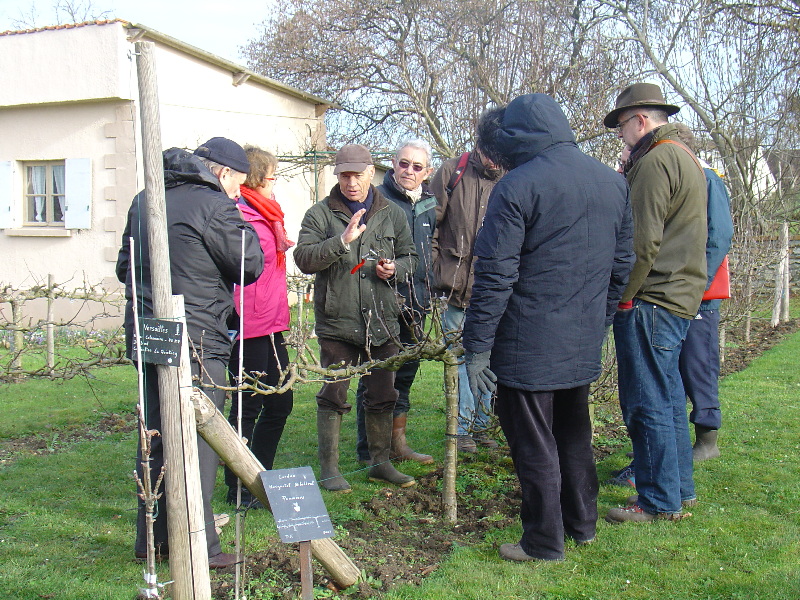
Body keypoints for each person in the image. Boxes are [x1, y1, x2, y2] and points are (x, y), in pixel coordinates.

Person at [462, 94, 634, 562]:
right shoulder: (610, 182)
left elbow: (496, 274)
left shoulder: (517, 186)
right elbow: (623, 263)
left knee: (535, 443)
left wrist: (476, 347)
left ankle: (542, 541)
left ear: (515, 135)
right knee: (575, 435)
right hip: (580, 338)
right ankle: (583, 525)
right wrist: (598, 320)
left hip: (527, 342)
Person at [116, 137, 264, 567]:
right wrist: (238, 217)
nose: (239, 192)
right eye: (238, 183)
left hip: (148, 334)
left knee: (155, 436)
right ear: (221, 172)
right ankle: (200, 545)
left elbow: (125, 267)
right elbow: (249, 263)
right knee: (200, 440)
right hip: (199, 339)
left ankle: (151, 539)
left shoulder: (144, 199)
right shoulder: (213, 205)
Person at [603, 83, 708, 524]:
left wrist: (622, 300)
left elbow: (641, 244)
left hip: (652, 299)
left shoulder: (655, 160)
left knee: (647, 402)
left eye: (622, 125)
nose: (621, 135)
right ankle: (679, 491)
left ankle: (656, 500)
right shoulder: (684, 157)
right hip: (679, 296)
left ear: (640, 120)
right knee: (666, 398)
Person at [294, 144, 419, 492]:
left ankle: (380, 463)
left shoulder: (392, 214)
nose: (351, 182)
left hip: (383, 321)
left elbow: (412, 258)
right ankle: (330, 470)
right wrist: (342, 241)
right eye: (344, 175)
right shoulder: (319, 215)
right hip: (338, 322)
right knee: (333, 395)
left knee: (383, 394)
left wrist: (396, 269)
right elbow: (303, 258)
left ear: (371, 174)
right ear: (337, 176)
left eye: (357, 175)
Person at [355, 139, 437, 465]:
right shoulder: (377, 199)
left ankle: (397, 444)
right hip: (380, 301)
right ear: (393, 164)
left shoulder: (431, 204)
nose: (409, 171)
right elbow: (355, 249)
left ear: (427, 172)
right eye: (404, 164)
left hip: (416, 302)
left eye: (417, 167)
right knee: (377, 375)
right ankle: (368, 451)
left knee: (406, 374)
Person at [225, 146, 295, 508]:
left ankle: (260, 475)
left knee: (281, 402)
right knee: (246, 407)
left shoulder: (268, 214)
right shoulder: (240, 215)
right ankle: (239, 486)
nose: (275, 183)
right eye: (271, 176)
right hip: (248, 324)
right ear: (254, 178)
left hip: (272, 323)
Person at [430, 130, 504, 453]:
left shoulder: (512, 180)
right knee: (460, 362)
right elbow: (429, 225)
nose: (493, 160)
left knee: (489, 361)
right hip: (455, 290)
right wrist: (436, 269)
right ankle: (461, 432)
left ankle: (483, 426)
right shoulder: (452, 171)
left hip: (491, 293)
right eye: (489, 152)